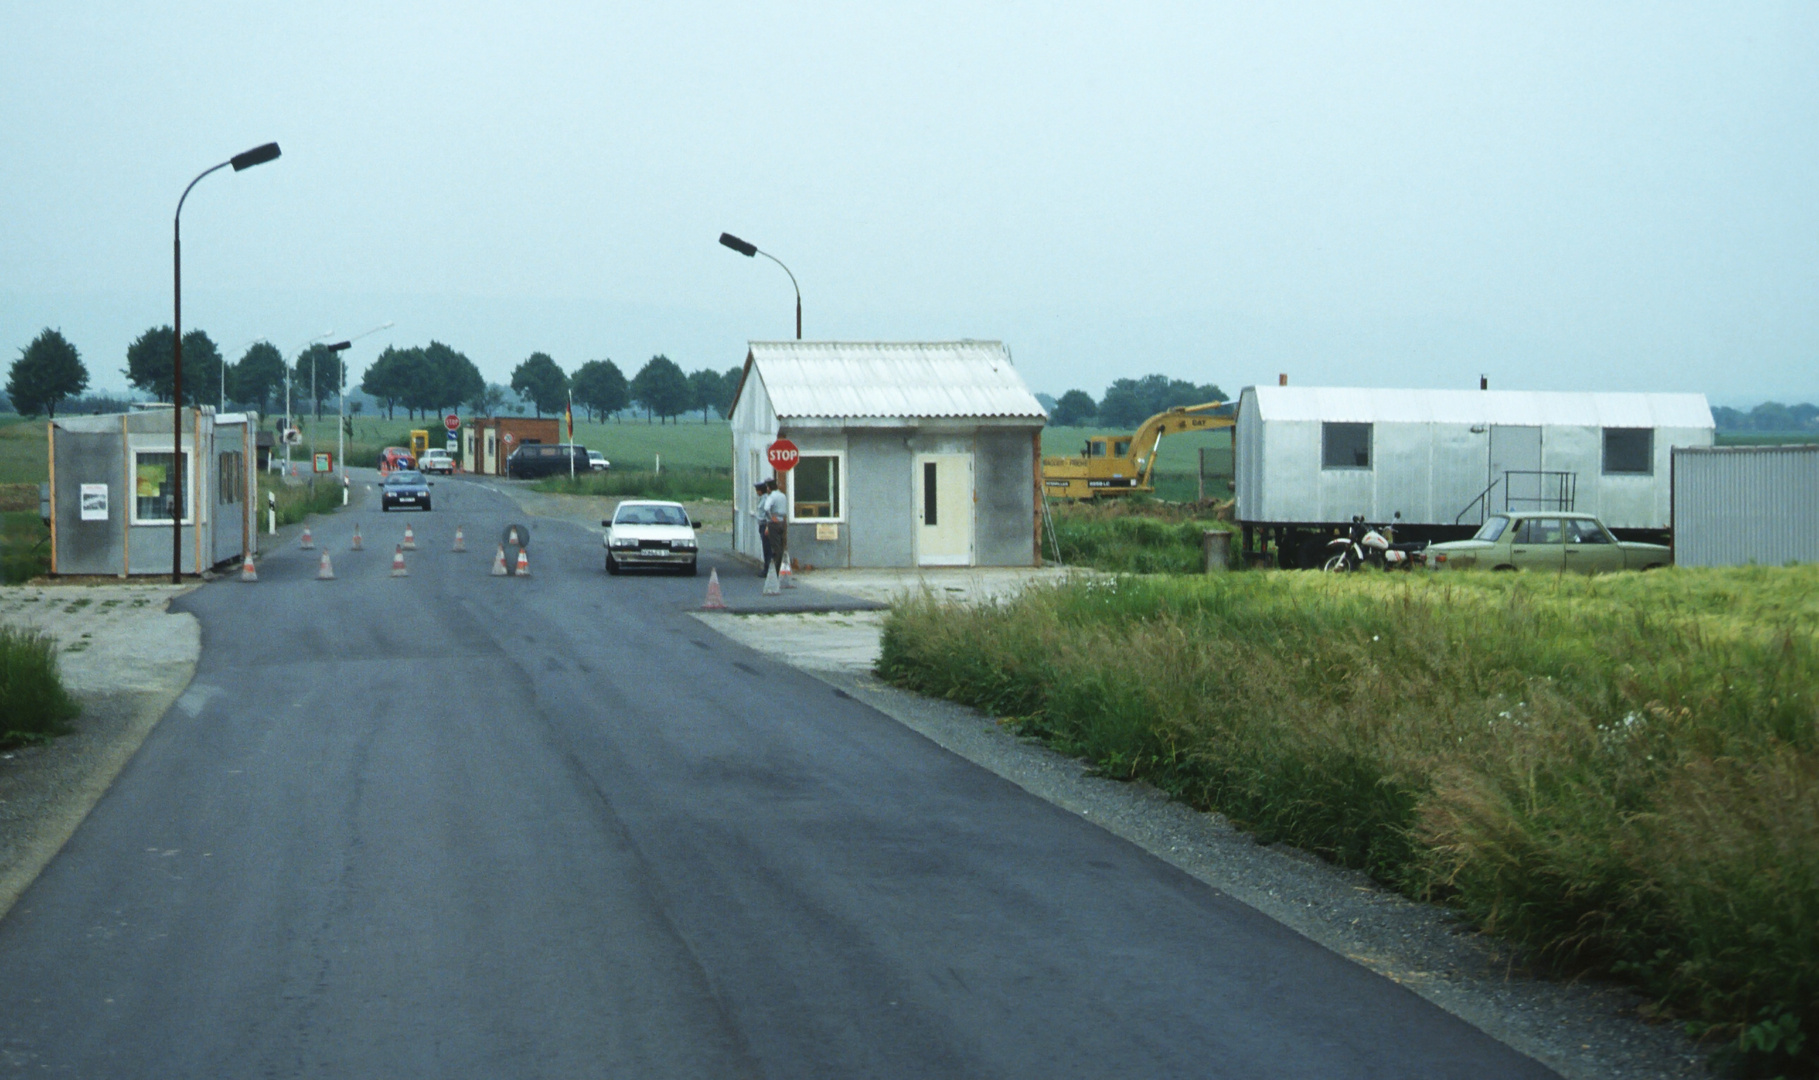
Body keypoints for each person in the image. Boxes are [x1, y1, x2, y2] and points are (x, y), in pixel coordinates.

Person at [756, 478, 790, 575]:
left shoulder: (771, 497)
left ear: (768, 487)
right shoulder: (783, 495)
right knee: (781, 544)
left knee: (774, 547)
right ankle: (780, 567)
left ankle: (775, 569)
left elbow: (766, 508)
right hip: (782, 521)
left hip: (773, 523)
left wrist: (770, 518)